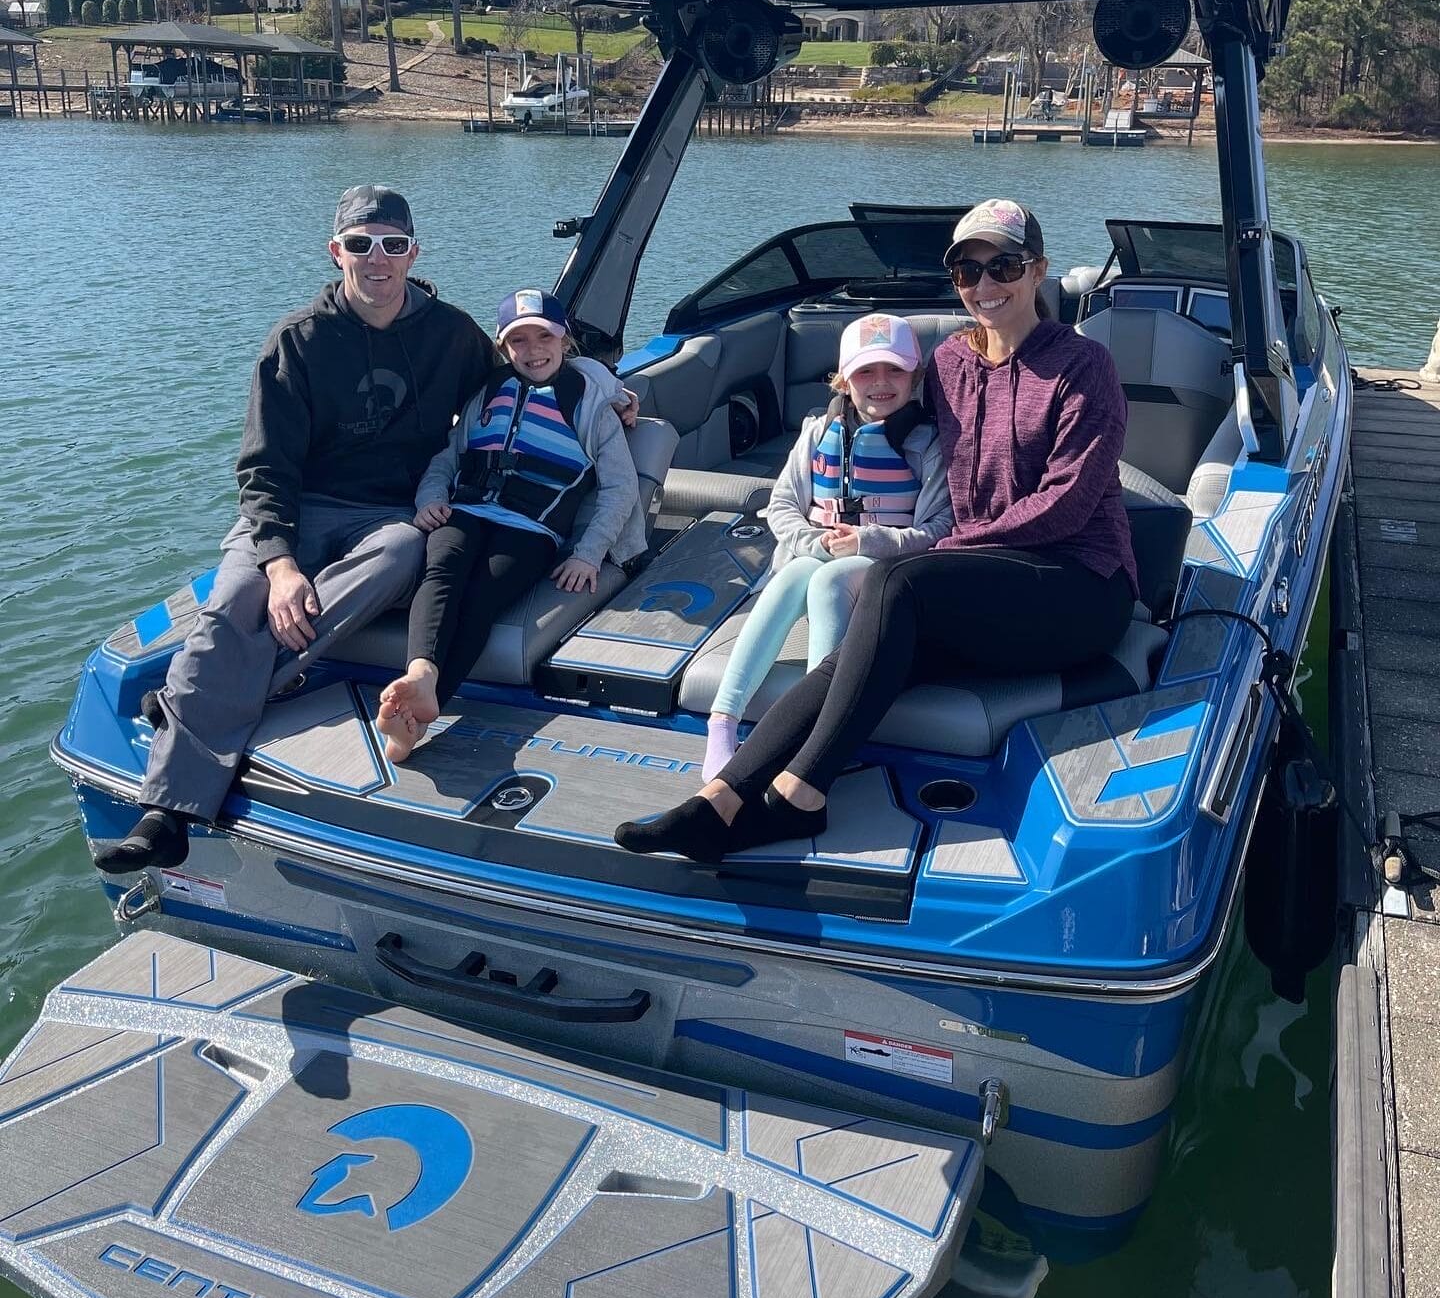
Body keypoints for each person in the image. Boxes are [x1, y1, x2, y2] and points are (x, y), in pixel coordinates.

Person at [94, 186, 629, 874]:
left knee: (405, 552)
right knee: (233, 605)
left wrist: (608, 388)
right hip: (297, 507)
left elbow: (529, 377)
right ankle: (164, 818)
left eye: (392, 245)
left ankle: (191, 703)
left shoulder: (451, 333)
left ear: (413, 253)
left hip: (389, 515)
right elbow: (263, 469)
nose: (377, 259)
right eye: (360, 244)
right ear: (335, 252)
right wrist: (281, 565)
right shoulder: (296, 342)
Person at [616, 199, 1137, 864]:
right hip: (981, 583)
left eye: (1003, 265)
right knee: (857, 652)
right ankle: (718, 799)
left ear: (1038, 270)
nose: (984, 285)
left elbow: (1064, 507)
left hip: (1078, 586)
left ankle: (798, 796)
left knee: (898, 583)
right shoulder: (950, 362)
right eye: (967, 271)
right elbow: (872, 411)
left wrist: (936, 549)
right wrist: (609, 391)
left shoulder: (1082, 367)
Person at [376, 288, 645, 762]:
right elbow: (449, 455)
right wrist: (431, 498)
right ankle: (421, 673)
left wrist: (589, 551)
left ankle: (419, 716)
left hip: (532, 529)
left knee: (483, 596)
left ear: (565, 341)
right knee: (443, 571)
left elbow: (620, 487)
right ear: (503, 348)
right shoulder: (488, 390)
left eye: (544, 336)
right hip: (466, 510)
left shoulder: (591, 402)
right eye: (518, 340)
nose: (533, 349)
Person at [701, 313, 949, 782]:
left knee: (832, 578)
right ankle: (723, 720)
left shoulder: (925, 444)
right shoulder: (817, 434)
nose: (880, 383)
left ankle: (821, 732)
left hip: (879, 572)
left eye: (895, 370)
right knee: (796, 573)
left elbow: (939, 528)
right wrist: (812, 541)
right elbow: (781, 505)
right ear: (843, 379)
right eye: (865, 372)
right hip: (816, 555)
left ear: (915, 376)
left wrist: (869, 540)